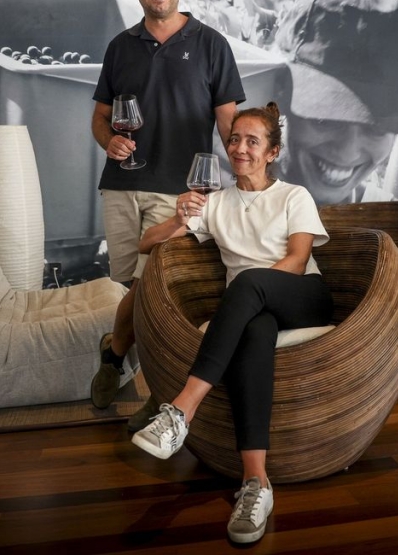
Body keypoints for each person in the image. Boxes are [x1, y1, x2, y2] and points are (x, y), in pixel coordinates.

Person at [131, 103, 332, 544]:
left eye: (252, 141)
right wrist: (178, 218)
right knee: (255, 330)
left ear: (272, 152)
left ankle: (182, 410)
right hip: (254, 310)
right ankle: (256, 483)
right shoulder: (215, 203)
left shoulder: (293, 195)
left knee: (247, 284)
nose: (240, 148)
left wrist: (252, 290)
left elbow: (298, 261)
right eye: (234, 139)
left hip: (303, 297)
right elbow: (145, 244)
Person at [90, 0, 245, 427]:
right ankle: (119, 353)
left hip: (180, 191)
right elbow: (100, 118)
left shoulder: (211, 44)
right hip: (122, 186)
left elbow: (229, 123)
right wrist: (109, 141)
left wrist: (249, 178)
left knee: (153, 289)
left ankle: (145, 382)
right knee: (128, 286)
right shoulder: (120, 47)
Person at [270, 0, 398, 204]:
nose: (347, 151)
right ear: (279, 95)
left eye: (377, 128)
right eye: (324, 120)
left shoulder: (390, 221)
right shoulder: (221, 205)